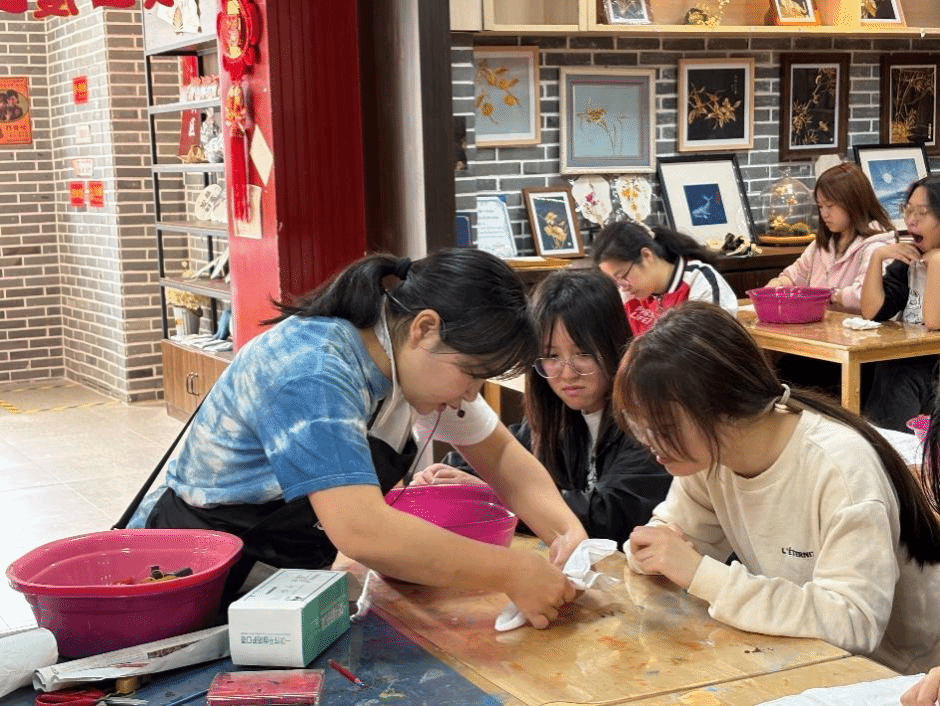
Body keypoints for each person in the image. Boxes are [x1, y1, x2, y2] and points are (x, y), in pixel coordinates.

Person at [129, 248, 587, 629]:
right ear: (424, 328)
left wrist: (569, 536)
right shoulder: (314, 370)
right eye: (471, 374)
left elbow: (501, 455)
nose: (471, 394)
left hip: (282, 582)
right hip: (186, 581)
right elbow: (361, 530)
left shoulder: (406, 362)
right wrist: (510, 571)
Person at [613, 301, 940, 674]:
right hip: (801, 659)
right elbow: (673, 541)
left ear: (720, 407)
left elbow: (853, 624)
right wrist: (651, 550)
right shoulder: (709, 457)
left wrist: (700, 574)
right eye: (639, 427)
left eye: (662, 428)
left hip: (896, 676)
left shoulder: (838, 467)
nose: (649, 443)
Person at [411, 269, 672, 546]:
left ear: (613, 345)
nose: (567, 373)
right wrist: (446, 477)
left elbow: (610, 515)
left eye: (583, 353)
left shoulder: (648, 416)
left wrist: (492, 494)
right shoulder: (557, 413)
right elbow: (500, 454)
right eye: (551, 356)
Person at [860, 174, 940, 432]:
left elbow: (933, 322)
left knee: (898, 373)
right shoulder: (911, 260)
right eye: (908, 210)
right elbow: (872, 311)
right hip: (910, 363)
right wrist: (877, 257)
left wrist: (937, 263)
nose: (911, 220)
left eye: (922, 213)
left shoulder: (933, 261)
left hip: (930, 369)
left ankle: (888, 449)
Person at [765, 162, 895, 314]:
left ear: (853, 203)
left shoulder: (877, 247)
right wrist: (778, 284)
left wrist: (832, 295)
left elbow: (864, 297)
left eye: (830, 206)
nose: (824, 214)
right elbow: (794, 277)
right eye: (820, 206)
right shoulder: (822, 244)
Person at [592, 219, 737, 336]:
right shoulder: (626, 295)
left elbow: (708, 349)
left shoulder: (699, 282)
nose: (623, 287)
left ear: (647, 255)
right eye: (615, 281)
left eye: (622, 276)